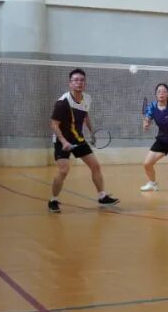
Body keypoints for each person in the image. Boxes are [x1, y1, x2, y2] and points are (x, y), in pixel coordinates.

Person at [48, 68, 120, 213]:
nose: (79, 83)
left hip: (78, 138)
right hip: (62, 139)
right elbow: (54, 125)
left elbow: (85, 115)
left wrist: (91, 132)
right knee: (64, 170)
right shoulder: (62, 102)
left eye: (82, 80)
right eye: (76, 80)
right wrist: (64, 142)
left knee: (95, 166)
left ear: (85, 83)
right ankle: (53, 200)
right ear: (70, 83)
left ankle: (102, 196)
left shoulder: (87, 98)